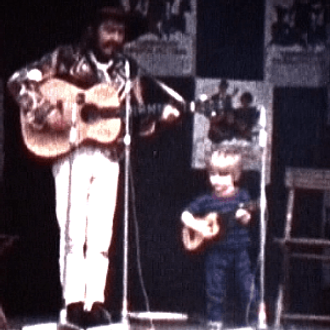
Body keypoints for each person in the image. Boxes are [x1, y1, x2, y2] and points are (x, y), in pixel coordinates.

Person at [7, 6, 181, 330]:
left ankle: (95, 303)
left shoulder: (128, 71)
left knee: (101, 232)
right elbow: (19, 82)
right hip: (70, 150)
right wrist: (47, 113)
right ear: (93, 29)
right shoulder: (64, 58)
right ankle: (73, 302)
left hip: (109, 155)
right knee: (73, 230)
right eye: (108, 30)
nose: (114, 38)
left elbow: (135, 119)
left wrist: (158, 117)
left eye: (119, 32)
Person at [181, 147, 259, 330]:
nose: (216, 180)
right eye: (212, 174)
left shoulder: (243, 197)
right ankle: (214, 321)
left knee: (247, 287)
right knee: (215, 287)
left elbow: (247, 219)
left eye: (223, 175)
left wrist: (245, 216)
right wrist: (196, 225)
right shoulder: (207, 200)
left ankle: (253, 321)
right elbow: (185, 215)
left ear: (235, 175)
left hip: (239, 250)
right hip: (216, 251)